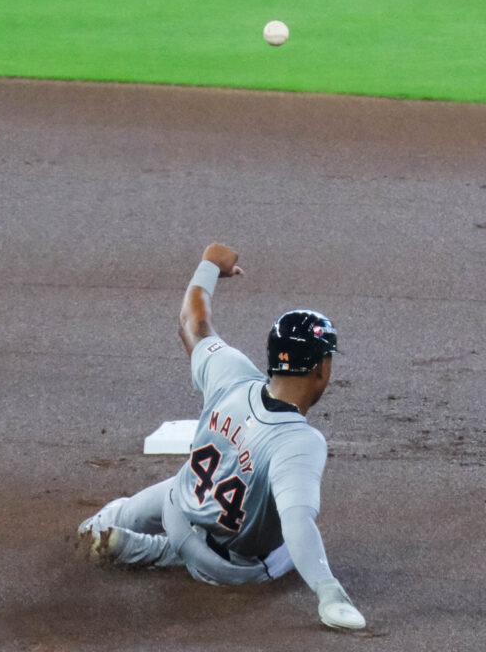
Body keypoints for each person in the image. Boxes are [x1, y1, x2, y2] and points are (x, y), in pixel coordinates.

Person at [76, 242, 366, 630]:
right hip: (220, 565)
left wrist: (209, 264)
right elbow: (298, 523)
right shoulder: (300, 443)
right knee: (282, 545)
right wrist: (330, 592)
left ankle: (106, 522)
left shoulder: (231, 371)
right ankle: (144, 550)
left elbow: (192, 323)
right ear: (321, 370)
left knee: (154, 501)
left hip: (177, 509)